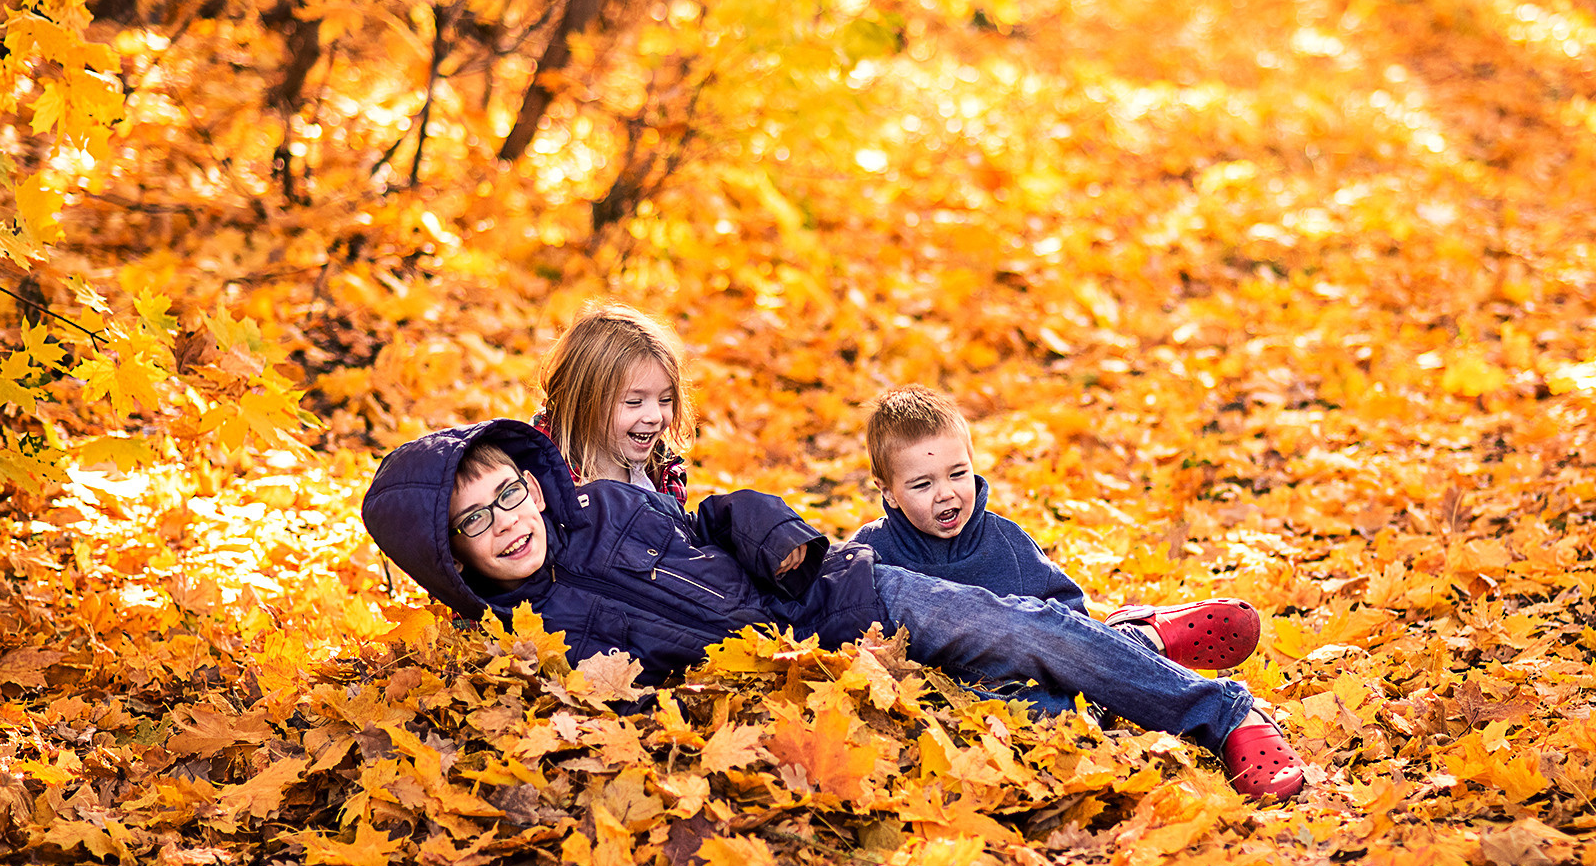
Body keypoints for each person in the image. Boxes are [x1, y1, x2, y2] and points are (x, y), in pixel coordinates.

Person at [360, 420, 1312, 800]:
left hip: (838, 593)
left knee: (1010, 629)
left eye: (510, 495)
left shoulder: (607, 506)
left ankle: (1220, 712)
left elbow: (716, 513)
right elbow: (615, 703)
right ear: (450, 559)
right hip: (821, 684)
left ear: (536, 482)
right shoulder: (525, 638)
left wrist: (781, 534)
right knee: (1023, 709)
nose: (507, 522)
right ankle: (1127, 645)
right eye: (475, 521)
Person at [853, 385, 1260, 670]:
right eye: (923, 485)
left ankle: (1135, 642)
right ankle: (1140, 639)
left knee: (1066, 696)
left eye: (958, 474)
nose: (946, 494)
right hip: (948, 695)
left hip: (1031, 673)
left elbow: (1067, 613)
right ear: (888, 492)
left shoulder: (1005, 543)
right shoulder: (872, 552)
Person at [532, 302, 691, 503]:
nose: (656, 416)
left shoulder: (660, 476)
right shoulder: (545, 480)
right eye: (634, 402)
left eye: (665, 400)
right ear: (585, 400)